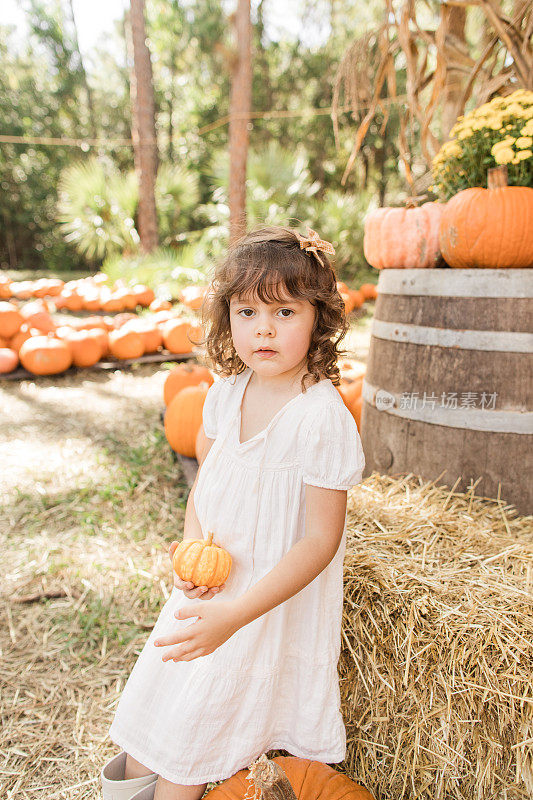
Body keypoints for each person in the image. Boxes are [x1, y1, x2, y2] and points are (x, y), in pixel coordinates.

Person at [101, 224, 365, 800]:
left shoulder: (321, 418)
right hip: (212, 591)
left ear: (319, 319)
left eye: (284, 313)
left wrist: (237, 613)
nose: (263, 329)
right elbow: (207, 486)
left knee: (195, 733)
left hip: (260, 605)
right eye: (246, 312)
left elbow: (320, 542)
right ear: (226, 319)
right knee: (164, 706)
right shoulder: (224, 392)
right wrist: (194, 550)